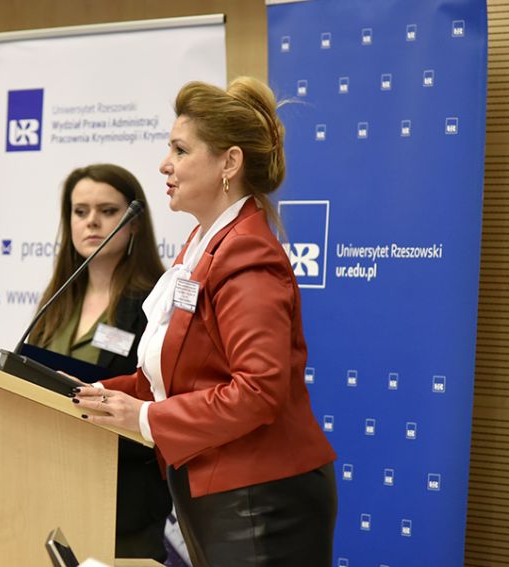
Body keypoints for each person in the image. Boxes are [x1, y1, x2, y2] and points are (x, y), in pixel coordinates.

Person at [73, 77, 338, 567]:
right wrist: (90, 392)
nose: (164, 164)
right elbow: (177, 378)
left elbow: (258, 390)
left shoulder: (247, 252)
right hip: (219, 494)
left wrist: (146, 418)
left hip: (262, 502)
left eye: (180, 149)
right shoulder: (202, 245)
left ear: (229, 163)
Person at [29, 163, 172, 561]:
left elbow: (158, 397)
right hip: (49, 481)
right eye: (80, 211)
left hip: (123, 496)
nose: (91, 221)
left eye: (107, 211)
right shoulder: (58, 299)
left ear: (134, 223)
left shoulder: (154, 303)